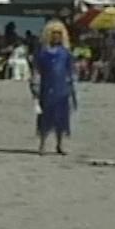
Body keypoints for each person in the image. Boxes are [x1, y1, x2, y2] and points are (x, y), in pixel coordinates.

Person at [31, 21, 78, 155]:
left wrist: (72, 86)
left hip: (62, 87)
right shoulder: (42, 52)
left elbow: (70, 70)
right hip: (46, 87)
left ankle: (60, 144)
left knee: (62, 117)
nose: (56, 36)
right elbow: (36, 69)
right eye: (54, 33)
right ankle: (43, 144)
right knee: (45, 116)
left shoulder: (65, 52)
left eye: (59, 33)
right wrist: (35, 85)